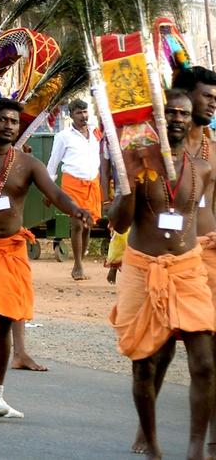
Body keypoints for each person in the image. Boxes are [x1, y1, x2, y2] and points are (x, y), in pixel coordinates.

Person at [109, 89, 215, 460]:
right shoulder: (137, 160)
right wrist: (129, 184)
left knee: (203, 362)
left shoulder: (201, 167)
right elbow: (119, 222)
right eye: (169, 112)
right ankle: (152, 444)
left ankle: (195, 450)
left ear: (190, 120)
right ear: (156, 116)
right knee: (145, 363)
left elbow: (201, 212)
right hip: (143, 270)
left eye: (183, 114)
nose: (177, 119)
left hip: (187, 270)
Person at [0, 98, 90, 420]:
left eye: (14, 121)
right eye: (3, 120)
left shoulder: (27, 164)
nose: (9, 125)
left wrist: (76, 210)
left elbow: (54, 193)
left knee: (6, 322)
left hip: (13, 250)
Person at [173, 66, 216, 452]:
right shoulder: (160, 145)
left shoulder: (214, 146)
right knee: (158, 350)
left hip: (209, 257)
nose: (213, 102)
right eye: (207, 95)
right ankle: (146, 428)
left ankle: (209, 439)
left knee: (209, 355)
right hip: (166, 258)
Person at [47, 98, 102, 280]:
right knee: (77, 223)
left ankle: (81, 261)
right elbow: (53, 163)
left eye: (85, 111)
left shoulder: (95, 132)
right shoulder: (63, 136)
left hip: (92, 182)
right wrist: (48, 189)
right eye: (78, 113)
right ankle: (77, 265)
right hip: (72, 183)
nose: (83, 116)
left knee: (87, 225)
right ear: (71, 116)